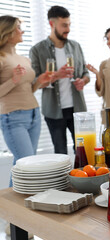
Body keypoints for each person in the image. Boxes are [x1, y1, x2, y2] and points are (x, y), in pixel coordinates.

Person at [29, 6, 90, 154]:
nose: (68, 29)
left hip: (77, 108)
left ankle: (82, 176)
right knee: (61, 152)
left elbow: (85, 73)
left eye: (69, 24)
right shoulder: (37, 50)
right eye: (64, 25)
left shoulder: (76, 46)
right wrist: (56, 75)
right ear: (52, 24)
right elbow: (35, 83)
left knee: (84, 151)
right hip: (54, 111)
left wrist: (83, 81)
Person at [0, 15, 51, 186]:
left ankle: (8, 209)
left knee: (22, 165)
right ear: (7, 32)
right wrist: (12, 80)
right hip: (13, 117)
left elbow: (28, 89)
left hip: (33, 115)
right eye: (18, 28)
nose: (22, 31)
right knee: (27, 164)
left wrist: (40, 81)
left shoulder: (24, 59)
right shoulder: (1, 58)